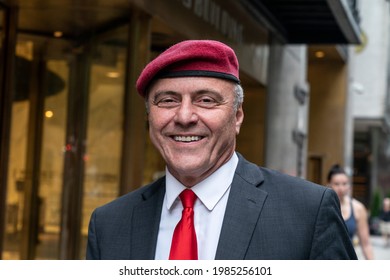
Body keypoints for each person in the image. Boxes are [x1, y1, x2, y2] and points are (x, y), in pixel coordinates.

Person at [86, 40, 357, 260]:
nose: (184, 116)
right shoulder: (109, 224)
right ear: (149, 118)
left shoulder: (307, 214)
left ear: (237, 117)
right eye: (167, 100)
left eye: (206, 100)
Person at [327, 164, 373, 259]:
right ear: (328, 184)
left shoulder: (358, 208)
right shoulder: (321, 206)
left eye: (344, 184)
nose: (341, 188)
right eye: (336, 184)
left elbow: (366, 244)